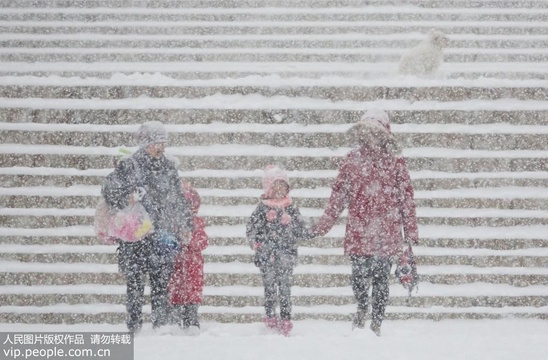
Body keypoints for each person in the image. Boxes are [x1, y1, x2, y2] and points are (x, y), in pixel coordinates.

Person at [310, 109, 419, 336]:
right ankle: (361, 308)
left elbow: (406, 197)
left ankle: (376, 321)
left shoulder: (395, 162)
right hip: (359, 230)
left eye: (375, 133)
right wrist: (323, 224)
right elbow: (338, 195)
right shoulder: (352, 160)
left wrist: (410, 230)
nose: (371, 137)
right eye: (367, 132)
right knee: (359, 278)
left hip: (386, 231)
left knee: (381, 280)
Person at [101, 121, 192, 333]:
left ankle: (160, 325)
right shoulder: (130, 164)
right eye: (155, 143)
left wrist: (184, 224)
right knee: (134, 285)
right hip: (135, 236)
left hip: (161, 232)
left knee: (161, 283)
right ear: (145, 143)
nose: (160, 148)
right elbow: (109, 191)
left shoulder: (169, 166)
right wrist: (127, 197)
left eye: (163, 143)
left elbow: (178, 198)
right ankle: (134, 327)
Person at [246, 165, 311, 336]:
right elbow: (252, 228)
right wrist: (255, 243)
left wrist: (302, 228)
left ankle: (285, 317)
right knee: (269, 287)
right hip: (267, 254)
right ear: (269, 188)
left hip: (286, 254)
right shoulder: (262, 208)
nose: (280, 190)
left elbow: (301, 229)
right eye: (276, 186)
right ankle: (270, 316)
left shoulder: (291, 207)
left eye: (283, 186)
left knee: (284, 287)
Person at [168, 182, 208, 334]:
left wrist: (190, 241)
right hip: (176, 263)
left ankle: (191, 319)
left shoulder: (196, 223)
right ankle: (175, 319)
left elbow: (203, 241)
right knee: (175, 291)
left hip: (192, 264)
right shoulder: (171, 223)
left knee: (191, 294)